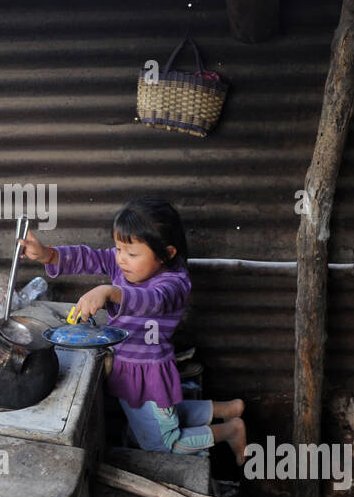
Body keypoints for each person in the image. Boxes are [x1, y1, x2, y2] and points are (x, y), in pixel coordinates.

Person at [18, 197, 246, 459]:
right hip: (126, 367)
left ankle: (230, 430)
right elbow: (88, 257)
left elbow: (151, 301)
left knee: (162, 443)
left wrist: (111, 292)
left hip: (149, 373)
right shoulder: (122, 263)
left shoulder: (175, 283)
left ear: (167, 254)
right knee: (156, 416)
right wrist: (50, 254)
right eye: (118, 250)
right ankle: (225, 409)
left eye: (132, 253)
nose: (122, 260)